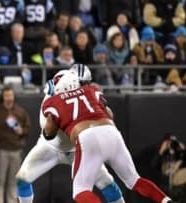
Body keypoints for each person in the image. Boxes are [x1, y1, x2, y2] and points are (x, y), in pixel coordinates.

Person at [41, 70, 175, 203]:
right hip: (111, 132)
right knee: (134, 180)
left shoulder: (53, 101)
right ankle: (166, 200)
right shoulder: (91, 90)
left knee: (81, 190)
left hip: (87, 137)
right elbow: (109, 115)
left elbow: (49, 133)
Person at [15, 64, 126, 203]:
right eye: (82, 84)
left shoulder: (88, 94)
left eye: (86, 84)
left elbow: (109, 116)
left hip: (80, 149)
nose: (84, 88)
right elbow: (47, 131)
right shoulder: (59, 87)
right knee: (22, 179)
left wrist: (100, 105)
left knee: (108, 184)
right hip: (52, 145)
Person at [0, 85, 31, 203]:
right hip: (1, 152)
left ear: (14, 96)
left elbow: (28, 128)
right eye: (6, 96)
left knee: (13, 182)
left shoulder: (21, 111)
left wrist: (22, 131)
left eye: (11, 95)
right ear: (2, 97)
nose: (9, 98)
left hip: (16, 151)